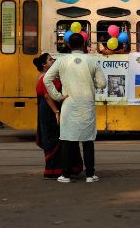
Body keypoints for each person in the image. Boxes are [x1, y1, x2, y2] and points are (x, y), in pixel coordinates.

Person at [44, 32, 106, 183]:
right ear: (84, 44)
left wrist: (58, 97)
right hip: (86, 104)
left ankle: (65, 175)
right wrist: (93, 85)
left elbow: (47, 79)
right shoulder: (92, 61)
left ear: (69, 45)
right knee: (88, 140)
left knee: (67, 138)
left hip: (69, 104)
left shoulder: (62, 61)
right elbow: (102, 84)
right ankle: (90, 174)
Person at [33, 53, 75, 180]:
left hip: (46, 109)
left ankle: (55, 168)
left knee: (52, 138)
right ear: (44, 65)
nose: (53, 60)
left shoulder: (43, 76)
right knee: (54, 138)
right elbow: (47, 96)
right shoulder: (47, 78)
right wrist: (57, 112)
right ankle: (54, 170)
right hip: (50, 111)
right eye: (50, 59)